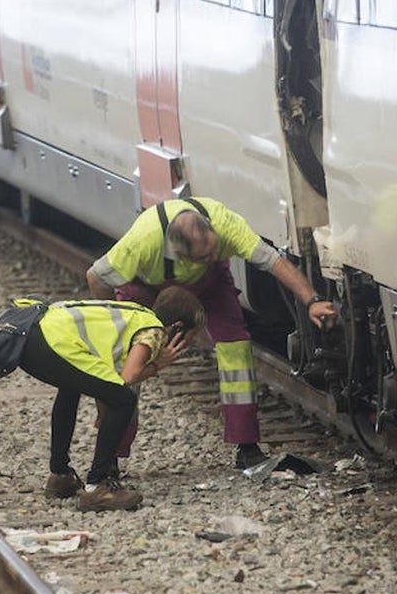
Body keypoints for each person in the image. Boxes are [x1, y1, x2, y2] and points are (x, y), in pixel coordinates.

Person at [86, 196, 337, 470]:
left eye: (215, 250)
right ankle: (109, 455)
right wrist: (114, 327)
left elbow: (273, 262)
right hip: (145, 286)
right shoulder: (143, 242)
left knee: (236, 348)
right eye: (204, 257)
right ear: (179, 254)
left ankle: (247, 447)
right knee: (126, 363)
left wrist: (312, 300)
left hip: (209, 284)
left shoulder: (225, 225)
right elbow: (96, 277)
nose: (213, 257)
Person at [18, 287, 205, 512]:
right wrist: (158, 364)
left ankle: (60, 475)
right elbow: (129, 377)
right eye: (188, 339)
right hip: (50, 340)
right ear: (177, 327)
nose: (186, 346)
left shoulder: (137, 313)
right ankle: (97, 487)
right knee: (124, 400)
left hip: (32, 334)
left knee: (70, 387)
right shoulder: (153, 331)